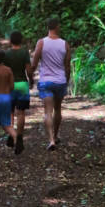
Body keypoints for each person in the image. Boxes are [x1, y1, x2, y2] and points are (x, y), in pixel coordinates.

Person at [31, 17, 71, 151]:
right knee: (58, 109)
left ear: (48, 27)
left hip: (46, 82)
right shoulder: (64, 44)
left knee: (48, 112)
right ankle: (56, 134)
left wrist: (30, 77)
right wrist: (67, 80)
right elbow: (67, 66)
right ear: (57, 27)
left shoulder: (41, 43)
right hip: (60, 81)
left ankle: (51, 140)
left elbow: (34, 63)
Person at [3, 30, 32, 155]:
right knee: (21, 113)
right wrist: (32, 80)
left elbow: (3, 70)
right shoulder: (25, 53)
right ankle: (19, 137)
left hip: (10, 85)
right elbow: (29, 70)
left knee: (10, 111)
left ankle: (11, 134)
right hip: (22, 85)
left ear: (10, 41)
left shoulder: (6, 54)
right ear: (21, 40)